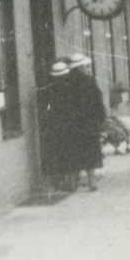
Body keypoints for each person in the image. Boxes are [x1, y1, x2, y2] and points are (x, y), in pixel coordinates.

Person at [64, 53, 107, 191]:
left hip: (72, 123)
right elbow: (98, 101)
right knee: (90, 153)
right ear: (81, 66)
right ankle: (92, 182)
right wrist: (101, 118)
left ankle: (72, 183)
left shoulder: (66, 81)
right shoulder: (89, 81)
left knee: (73, 152)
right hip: (89, 122)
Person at [39, 59, 72, 190]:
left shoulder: (49, 88)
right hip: (67, 123)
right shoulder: (69, 88)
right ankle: (67, 180)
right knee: (67, 151)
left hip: (54, 123)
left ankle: (58, 181)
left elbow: (46, 107)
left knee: (57, 152)